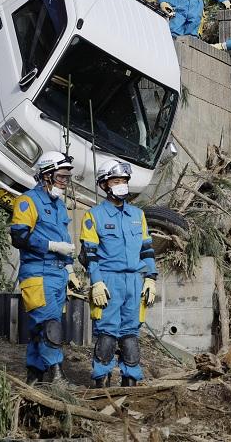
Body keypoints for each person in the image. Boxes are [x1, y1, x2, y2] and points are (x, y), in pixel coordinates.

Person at [80, 160, 157, 387]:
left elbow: (147, 249)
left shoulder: (137, 215)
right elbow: (90, 254)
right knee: (107, 333)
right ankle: (101, 381)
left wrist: (151, 278)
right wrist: (96, 283)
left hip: (134, 281)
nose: (122, 185)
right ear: (104, 185)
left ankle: (130, 381)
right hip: (108, 280)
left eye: (124, 181)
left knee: (130, 334)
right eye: (116, 181)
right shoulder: (93, 216)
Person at [10, 151, 79, 384]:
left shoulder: (59, 206)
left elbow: (64, 242)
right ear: (46, 175)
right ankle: (58, 377)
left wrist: (70, 270)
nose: (64, 181)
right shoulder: (27, 200)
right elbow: (19, 236)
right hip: (38, 273)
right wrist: (51, 246)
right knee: (50, 325)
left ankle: (34, 378)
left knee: (42, 327)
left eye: (67, 177)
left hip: (57, 274)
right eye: (60, 176)